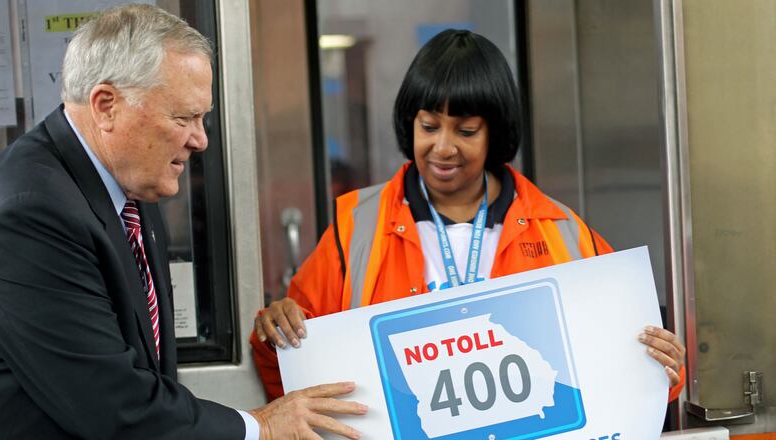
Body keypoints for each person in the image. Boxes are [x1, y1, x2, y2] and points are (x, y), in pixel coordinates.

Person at [0, 4, 365, 439]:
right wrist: (260, 426)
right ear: (106, 106)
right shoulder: (30, 212)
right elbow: (112, 404)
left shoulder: (131, 182)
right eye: (183, 118)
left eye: (203, 118)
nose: (200, 139)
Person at [251, 29, 686, 403]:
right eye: (428, 126)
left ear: (494, 132)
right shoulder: (357, 229)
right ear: (410, 123)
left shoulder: (561, 233)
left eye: (466, 130)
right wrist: (275, 335)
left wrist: (665, 369)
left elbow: (630, 377)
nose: (443, 147)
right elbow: (291, 374)